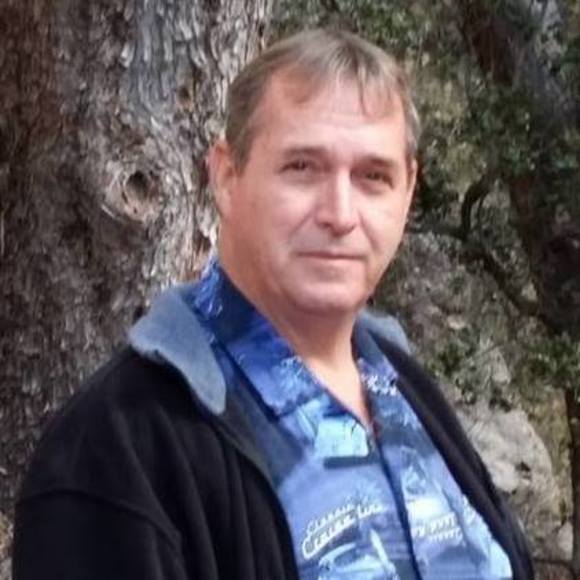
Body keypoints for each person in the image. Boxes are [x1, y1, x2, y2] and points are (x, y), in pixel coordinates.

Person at [13, 29, 533, 580]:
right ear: (226, 176)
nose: (340, 214)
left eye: (373, 177)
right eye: (302, 167)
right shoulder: (117, 452)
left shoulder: (405, 387)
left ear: (407, 193)